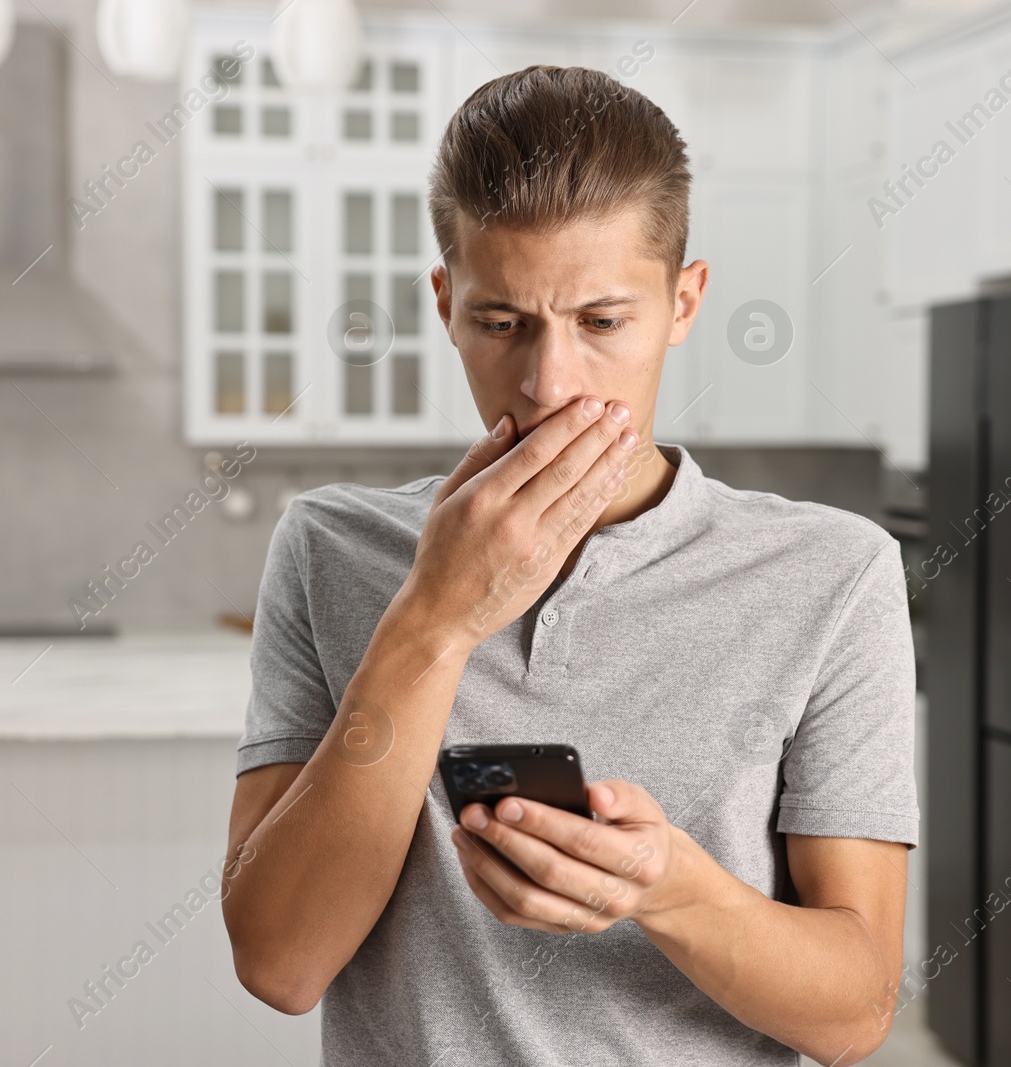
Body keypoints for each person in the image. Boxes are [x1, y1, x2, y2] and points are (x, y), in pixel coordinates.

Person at [223, 64, 918, 1067]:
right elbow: (280, 963)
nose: (550, 382)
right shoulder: (329, 546)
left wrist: (667, 883)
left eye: (600, 322)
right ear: (444, 302)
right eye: (501, 322)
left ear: (684, 302)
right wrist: (434, 616)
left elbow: (854, 1014)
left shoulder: (834, 573)